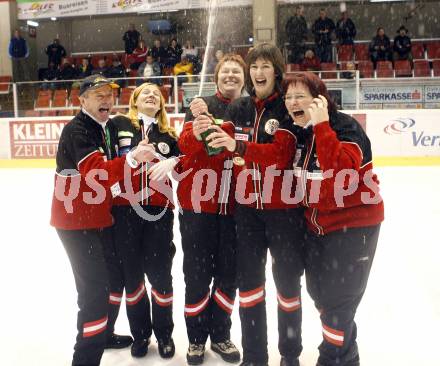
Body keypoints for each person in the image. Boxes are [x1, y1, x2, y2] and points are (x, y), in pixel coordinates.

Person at [205, 43, 305, 366]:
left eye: (265, 66)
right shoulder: (239, 109)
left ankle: (290, 354)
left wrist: (240, 147)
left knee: (288, 286)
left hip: (284, 212)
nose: (258, 72)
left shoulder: (287, 107)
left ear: (277, 71)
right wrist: (203, 130)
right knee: (249, 287)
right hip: (246, 212)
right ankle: (255, 357)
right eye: (254, 66)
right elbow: (221, 149)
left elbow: (280, 156)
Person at [50, 75, 156, 366]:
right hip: (75, 223)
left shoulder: (104, 127)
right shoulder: (78, 130)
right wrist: (133, 160)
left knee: (108, 282)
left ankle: (104, 334)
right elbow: (96, 172)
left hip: (97, 218)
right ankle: (84, 359)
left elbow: (108, 178)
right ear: (82, 100)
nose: (106, 99)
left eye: (109, 94)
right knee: (94, 293)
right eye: (98, 94)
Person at [283, 71, 384, 366]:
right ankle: (348, 357)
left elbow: (342, 175)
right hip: (318, 228)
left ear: (320, 99)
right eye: (288, 97)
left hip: (354, 229)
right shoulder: (300, 134)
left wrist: (323, 125)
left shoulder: (345, 128)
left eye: (299, 96)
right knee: (321, 296)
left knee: (338, 303)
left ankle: (331, 359)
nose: (292, 102)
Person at [177, 53, 246, 365]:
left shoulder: (248, 110)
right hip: (198, 206)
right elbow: (185, 149)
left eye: (236, 72)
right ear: (217, 77)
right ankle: (195, 340)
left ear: (243, 78)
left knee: (228, 275)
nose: (230, 76)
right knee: (197, 275)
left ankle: (220, 335)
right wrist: (197, 127)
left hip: (235, 209)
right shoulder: (200, 104)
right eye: (225, 72)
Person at [111, 82, 180, 360]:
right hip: (125, 211)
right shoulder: (117, 125)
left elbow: (185, 168)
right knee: (133, 278)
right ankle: (141, 335)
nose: (152, 96)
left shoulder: (168, 134)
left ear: (162, 105)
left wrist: (174, 161)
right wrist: (129, 158)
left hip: (158, 212)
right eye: (145, 93)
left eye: (157, 94)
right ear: (135, 100)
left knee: (161, 276)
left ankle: (164, 334)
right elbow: (107, 159)